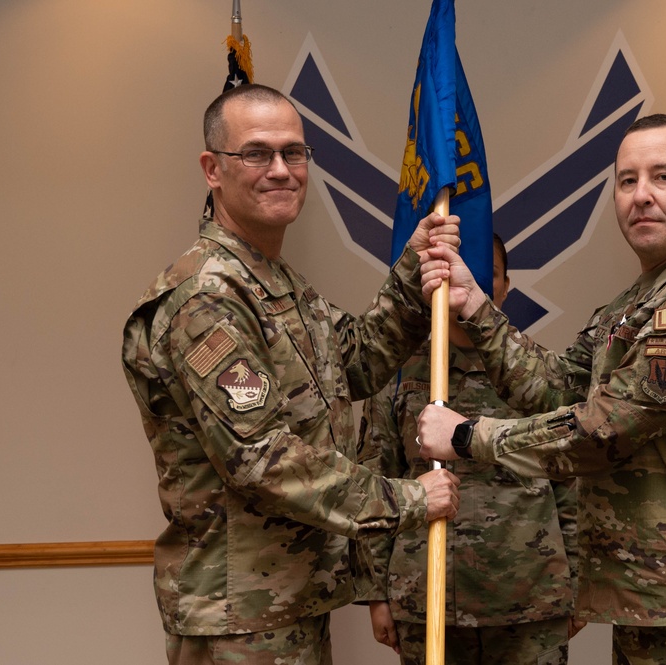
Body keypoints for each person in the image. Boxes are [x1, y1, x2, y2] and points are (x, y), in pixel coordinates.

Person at [416, 114, 666, 664]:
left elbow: (605, 430)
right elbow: (555, 389)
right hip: (655, 602)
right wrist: (477, 308)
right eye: (627, 181)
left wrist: (468, 437)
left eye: (662, 177)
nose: (641, 195)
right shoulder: (632, 305)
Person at [121, 83, 461, 665]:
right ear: (213, 169)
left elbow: (356, 362)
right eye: (256, 153)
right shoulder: (207, 296)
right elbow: (264, 461)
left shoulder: (277, 284)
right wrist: (405, 499)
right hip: (238, 619)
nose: (281, 170)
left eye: (294, 153)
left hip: (287, 603)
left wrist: (414, 263)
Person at [355, 234, 582, 665]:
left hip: (528, 598)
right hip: (428, 596)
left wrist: (577, 584)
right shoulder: (401, 373)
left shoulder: (537, 376)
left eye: (486, 274)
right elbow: (375, 476)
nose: (470, 282)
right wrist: (375, 594)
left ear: (505, 286)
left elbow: (570, 480)